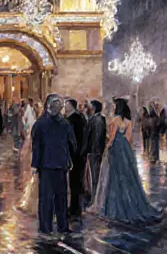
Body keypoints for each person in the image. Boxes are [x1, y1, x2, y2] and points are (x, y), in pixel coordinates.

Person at [90, 98, 162, 225]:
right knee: (127, 177)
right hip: (125, 149)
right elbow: (129, 138)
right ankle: (129, 205)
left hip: (116, 149)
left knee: (115, 178)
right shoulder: (128, 121)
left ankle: (115, 209)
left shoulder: (115, 120)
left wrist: (107, 148)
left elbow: (111, 138)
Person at [32, 94, 77, 235]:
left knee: (52, 198)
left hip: (49, 165)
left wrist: (35, 164)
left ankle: (49, 227)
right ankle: (58, 227)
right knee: (57, 198)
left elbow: (37, 147)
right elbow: (72, 144)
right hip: (55, 165)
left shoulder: (40, 123)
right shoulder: (64, 123)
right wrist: (68, 158)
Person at [82, 101, 107, 207]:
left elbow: (95, 137)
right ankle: (93, 197)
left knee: (94, 175)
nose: (88, 108)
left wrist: (91, 151)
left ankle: (94, 199)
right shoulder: (100, 118)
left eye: (90, 106)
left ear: (94, 108)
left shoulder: (95, 120)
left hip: (94, 151)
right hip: (95, 151)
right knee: (94, 175)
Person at [64, 99, 86, 220]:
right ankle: (75, 208)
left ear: (71, 106)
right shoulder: (79, 117)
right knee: (75, 183)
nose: (64, 107)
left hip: (74, 156)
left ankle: (74, 209)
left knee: (75, 183)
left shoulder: (73, 119)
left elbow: (73, 139)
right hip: (78, 155)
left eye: (66, 105)